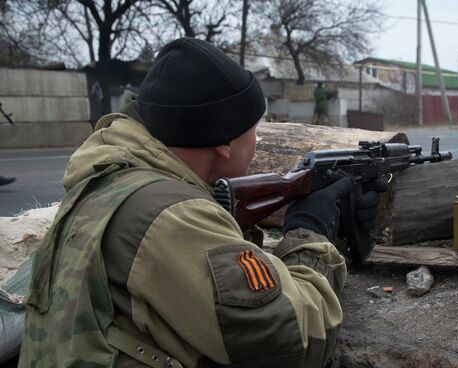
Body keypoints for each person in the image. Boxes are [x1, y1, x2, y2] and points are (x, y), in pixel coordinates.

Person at [19, 38, 384, 367]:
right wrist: (312, 233)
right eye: (255, 127)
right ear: (224, 142)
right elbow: (293, 344)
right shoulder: (171, 217)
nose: (257, 140)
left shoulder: (111, 180)